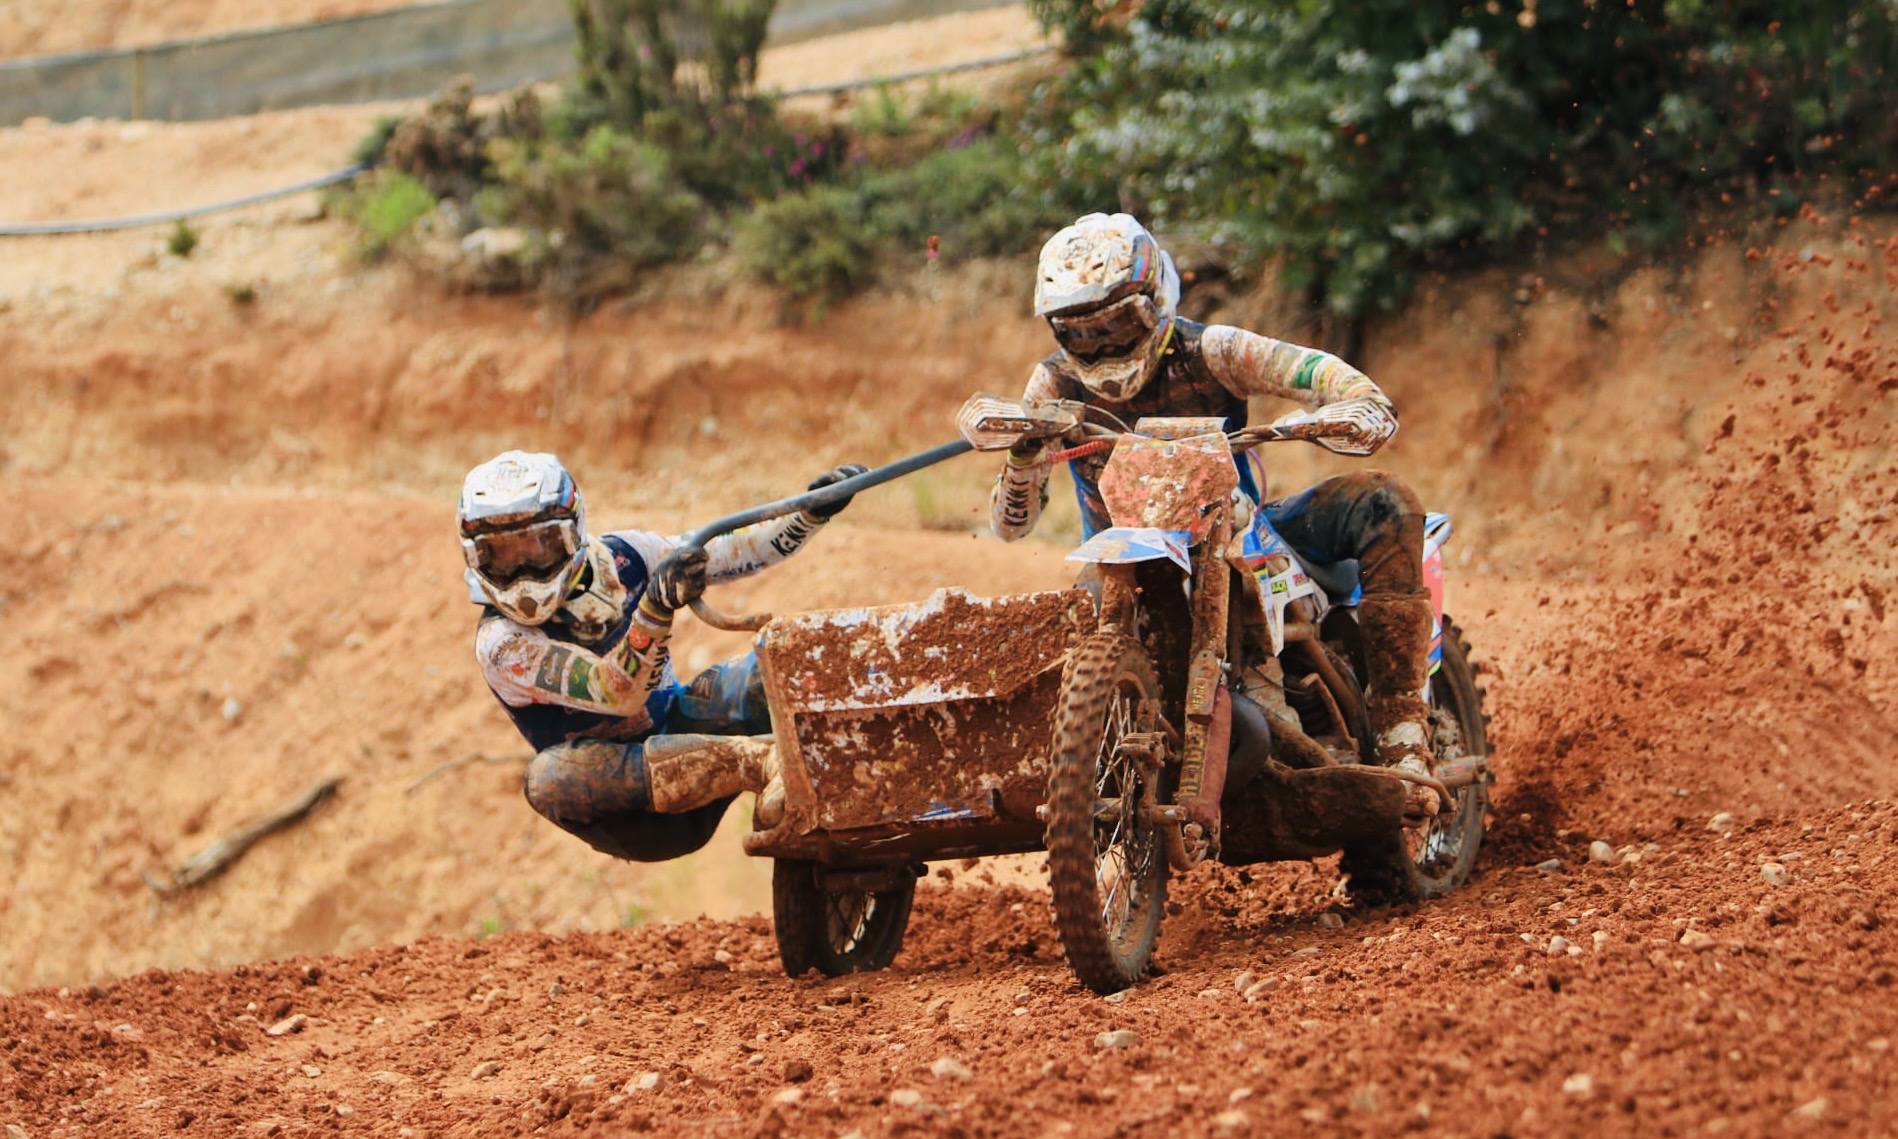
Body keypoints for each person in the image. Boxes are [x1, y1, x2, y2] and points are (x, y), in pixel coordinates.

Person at [990, 212, 1440, 819]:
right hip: (1119, 561)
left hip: (1245, 525)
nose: (1103, 347)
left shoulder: (1213, 350)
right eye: (1083, 334)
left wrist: (1356, 402)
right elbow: (1011, 526)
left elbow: (1310, 370)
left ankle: (1403, 735)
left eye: (1117, 325)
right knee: (1067, 636)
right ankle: (1083, 785)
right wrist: (1023, 456)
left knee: (1384, 500)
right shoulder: (1053, 384)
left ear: (1154, 301)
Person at [459, 449, 866, 860]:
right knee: (548, 778)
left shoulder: (629, 555)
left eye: (537, 545)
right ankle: (766, 761)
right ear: (476, 557)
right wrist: (654, 610)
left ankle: (867, 762)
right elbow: (618, 692)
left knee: (788, 660)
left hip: (683, 726)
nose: (523, 568)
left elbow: (734, 551)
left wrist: (810, 514)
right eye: (502, 554)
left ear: (571, 531)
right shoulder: (501, 643)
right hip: (636, 809)